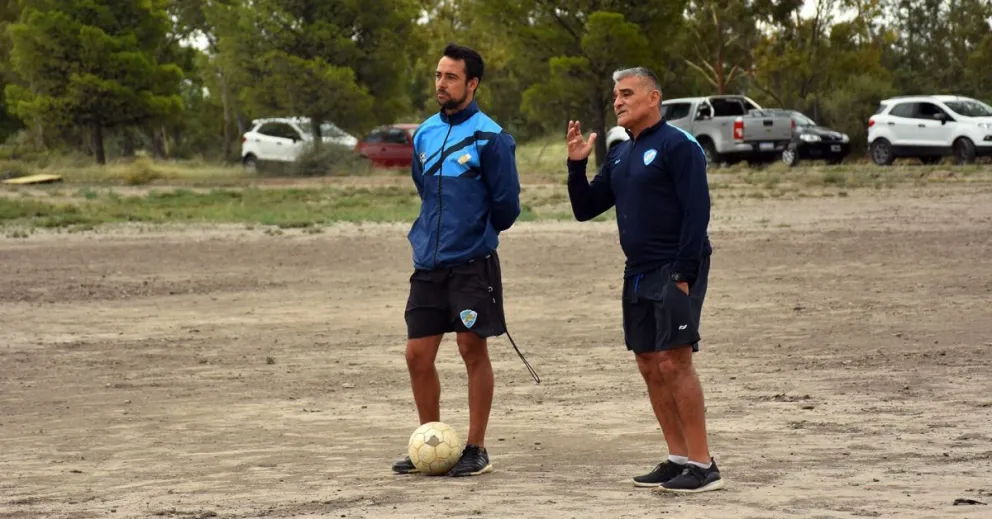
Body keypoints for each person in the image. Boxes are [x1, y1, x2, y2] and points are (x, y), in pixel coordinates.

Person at [564, 66, 723, 493]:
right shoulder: (619, 153)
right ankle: (677, 458)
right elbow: (586, 208)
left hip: (674, 266)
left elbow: (697, 211)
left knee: (675, 361)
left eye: (628, 93)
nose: (618, 101)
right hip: (636, 272)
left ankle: (704, 464)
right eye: (616, 94)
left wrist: (685, 273)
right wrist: (576, 167)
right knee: (649, 363)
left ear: (654, 98)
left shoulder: (678, 146)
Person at [391, 43, 522, 478]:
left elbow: (507, 207)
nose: (440, 84)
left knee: (471, 348)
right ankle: (430, 441)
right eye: (437, 75)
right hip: (429, 262)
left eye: (450, 77)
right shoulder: (425, 133)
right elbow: (423, 187)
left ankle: (476, 447)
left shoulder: (492, 137)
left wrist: (475, 233)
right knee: (416, 354)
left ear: (472, 83)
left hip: (471, 263)